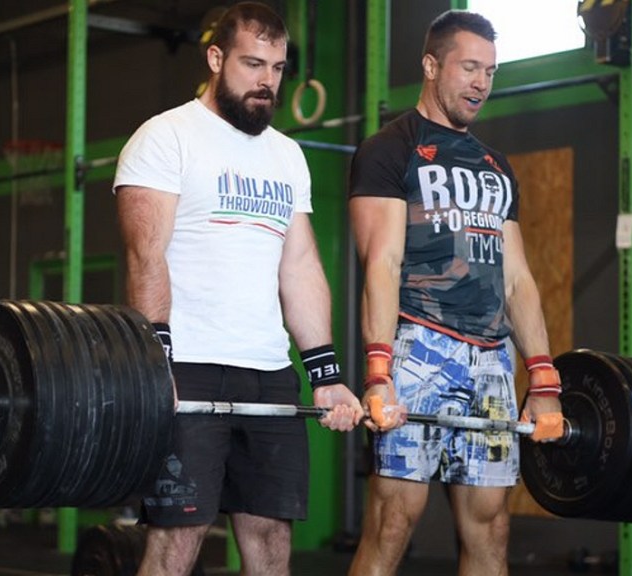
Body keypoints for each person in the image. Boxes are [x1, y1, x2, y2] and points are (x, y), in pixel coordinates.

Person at [112, 3, 364, 574]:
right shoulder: (166, 137)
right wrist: (157, 366)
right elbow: (145, 256)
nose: (266, 81)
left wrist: (325, 374)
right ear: (215, 58)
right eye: (253, 64)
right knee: (178, 539)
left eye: (277, 67)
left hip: (269, 372)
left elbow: (299, 266)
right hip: (188, 366)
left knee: (271, 539)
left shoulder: (287, 155)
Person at [347, 10, 564, 576]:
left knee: (491, 527)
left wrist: (543, 380)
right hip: (419, 347)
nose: (481, 83)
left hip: (491, 361)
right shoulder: (390, 150)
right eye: (469, 68)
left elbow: (516, 279)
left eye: (490, 71)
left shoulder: (496, 167)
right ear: (430, 65)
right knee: (393, 521)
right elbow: (382, 263)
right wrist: (378, 372)